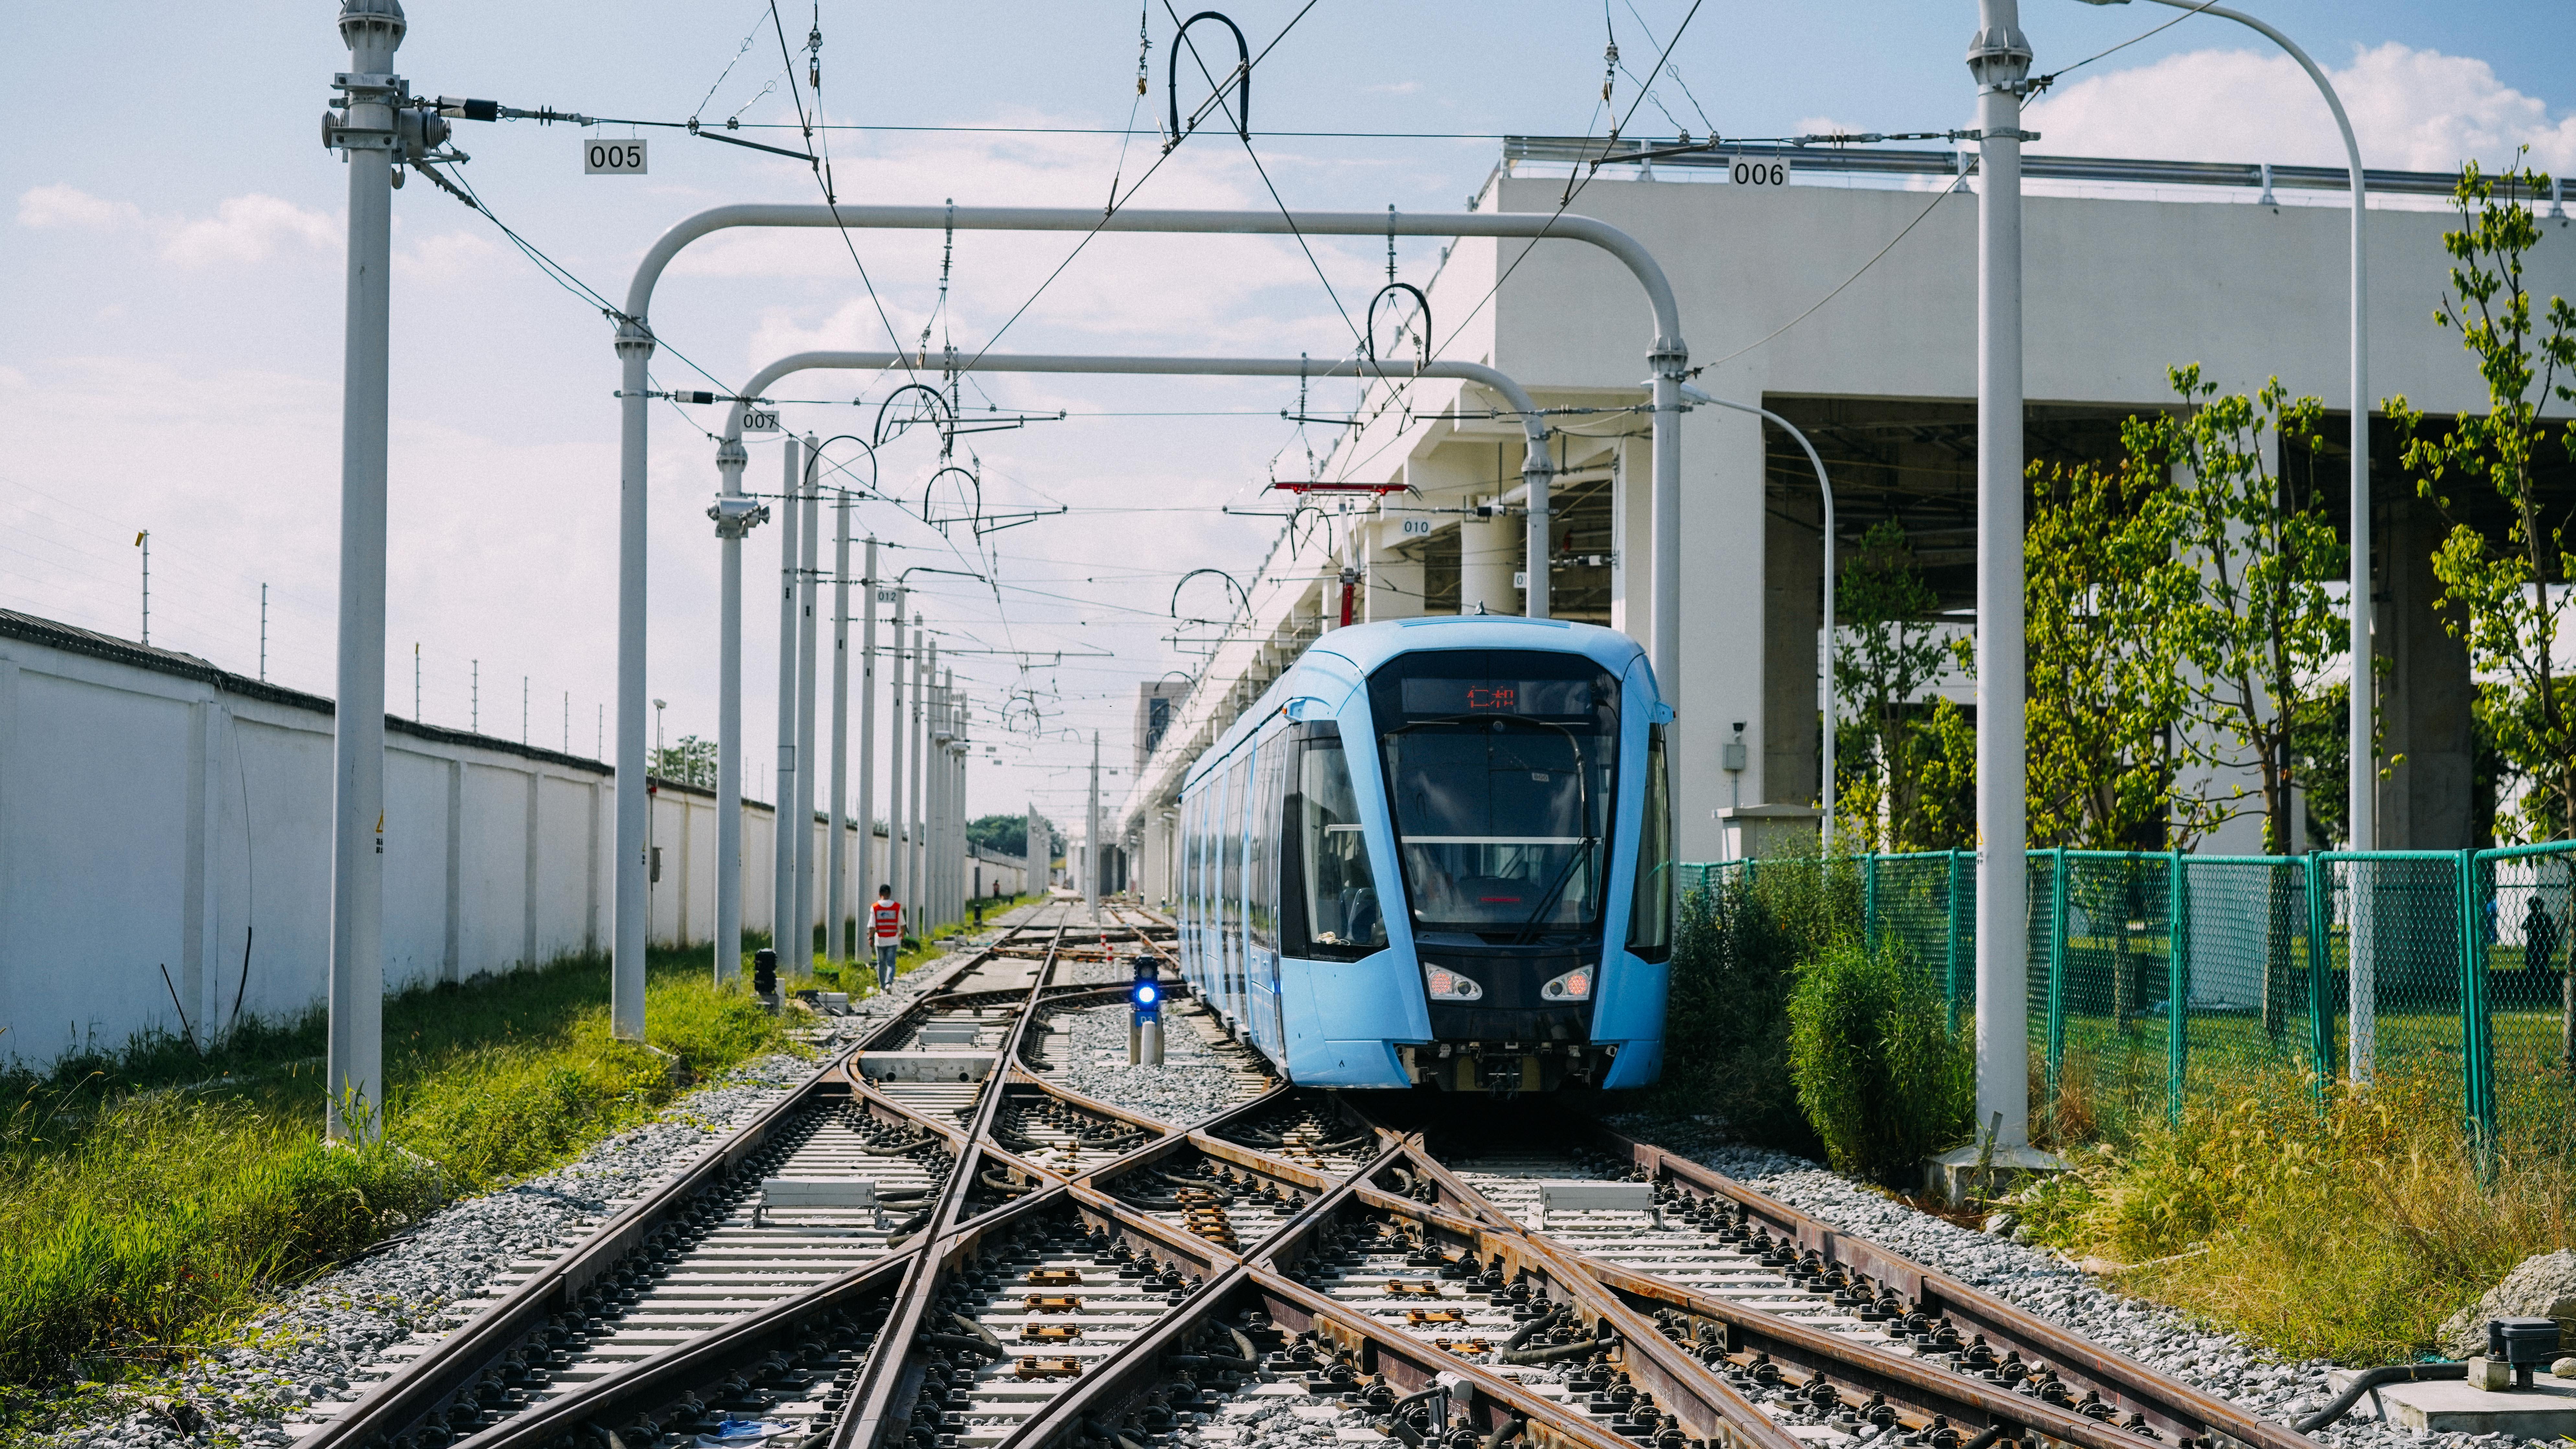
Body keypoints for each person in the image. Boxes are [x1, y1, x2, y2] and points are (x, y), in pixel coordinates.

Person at [871, 885, 903, 992]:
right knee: (891, 963)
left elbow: (872, 926)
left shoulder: (875, 907)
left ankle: (882, 987)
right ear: (890, 894)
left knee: (881, 964)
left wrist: (870, 938)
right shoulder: (897, 907)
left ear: (880, 894)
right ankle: (889, 983)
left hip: (880, 940)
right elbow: (902, 924)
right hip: (893, 940)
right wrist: (902, 934)